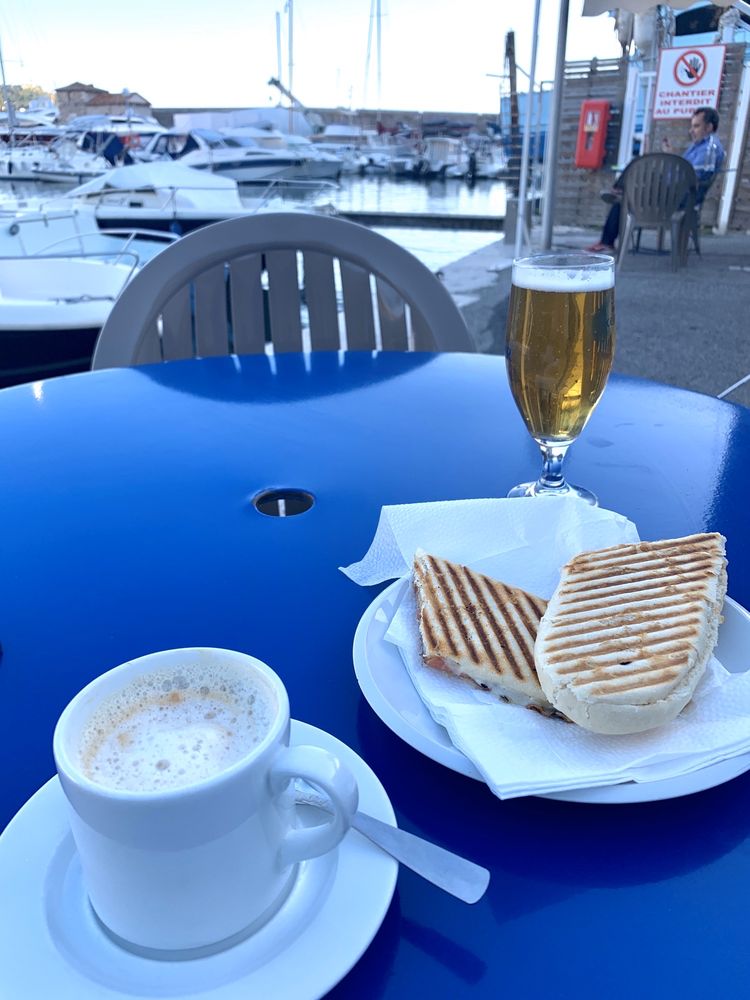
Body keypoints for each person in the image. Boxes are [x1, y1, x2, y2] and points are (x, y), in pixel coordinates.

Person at [586, 107, 725, 254]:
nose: (691, 130)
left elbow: (693, 177)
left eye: (696, 126)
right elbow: (686, 170)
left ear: (709, 127)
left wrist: (667, 175)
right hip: (674, 191)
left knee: (634, 183)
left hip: (680, 196)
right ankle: (620, 194)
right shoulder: (698, 146)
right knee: (640, 174)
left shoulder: (709, 148)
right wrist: (671, 157)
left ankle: (619, 194)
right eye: (691, 126)